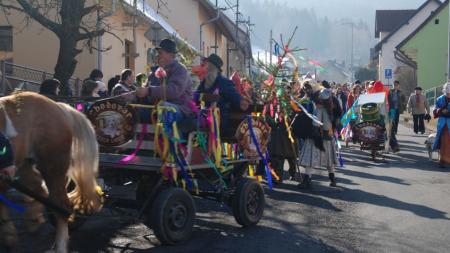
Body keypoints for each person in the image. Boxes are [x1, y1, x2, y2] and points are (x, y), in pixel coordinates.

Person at [136, 38, 194, 125]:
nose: (157, 56)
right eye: (157, 53)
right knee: (132, 110)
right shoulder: (155, 72)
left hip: (179, 109)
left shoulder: (180, 70)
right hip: (156, 108)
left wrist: (149, 91)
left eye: (160, 53)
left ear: (171, 55)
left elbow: (174, 91)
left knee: (164, 108)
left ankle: (169, 138)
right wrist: (136, 94)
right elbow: (146, 89)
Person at [194, 53, 250, 136]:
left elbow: (235, 97)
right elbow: (196, 98)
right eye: (207, 66)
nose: (207, 68)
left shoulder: (224, 83)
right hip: (203, 117)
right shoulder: (203, 83)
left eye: (210, 66)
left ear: (215, 69)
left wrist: (241, 102)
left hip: (218, 122)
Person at [297, 88, 338, 188]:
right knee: (329, 159)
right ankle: (332, 179)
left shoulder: (320, 109)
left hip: (317, 137)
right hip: (328, 137)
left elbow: (317, 123)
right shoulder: (331, 108)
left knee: (310, 158)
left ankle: (307, 180)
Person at [433, 83, 450, 168]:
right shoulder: (440, 99)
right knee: (442, 140)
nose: (449, 95)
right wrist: (441, 110)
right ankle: (442, 159)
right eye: (447, 93)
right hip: (442, 123)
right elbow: (435, 110)